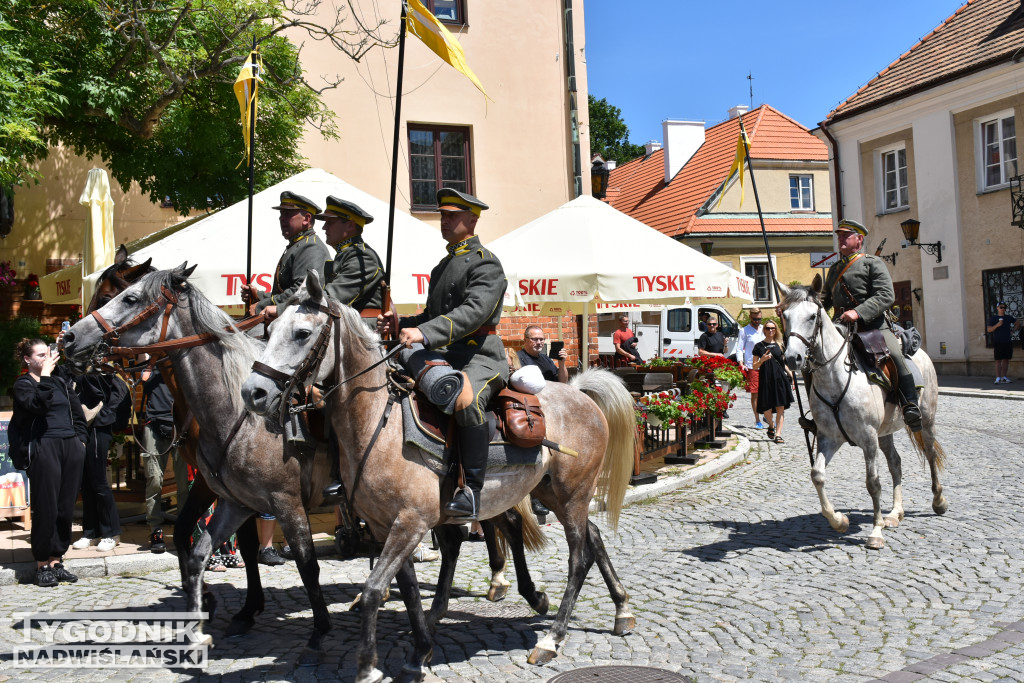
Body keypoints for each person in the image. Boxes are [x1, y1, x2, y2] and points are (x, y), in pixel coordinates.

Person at [379, 188, 508, 520]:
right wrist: (399, 324)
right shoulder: (443, 266)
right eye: (443, 215)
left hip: (480, 356)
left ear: (472, 219)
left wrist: (424, 334)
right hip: (445, 355)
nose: (445, 221)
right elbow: (430, 315)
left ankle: (471, 492)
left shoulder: (487, 264)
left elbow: (473, 313)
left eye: (452, 215)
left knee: (466, 400)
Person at [316, 196, 386, 503]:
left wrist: (283, 308)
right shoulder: (344, 256)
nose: (325, 227)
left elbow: (334, 298)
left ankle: (343, 470)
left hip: (361, 342)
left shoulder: (362, 258)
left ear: (349, 226)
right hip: (342, 340)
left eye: (330, 222)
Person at [822, 218, 921, 431]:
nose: (840, 238)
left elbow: (886, 296)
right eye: (838, 235)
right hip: (841, 327)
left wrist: (858, 312)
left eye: (845, 235)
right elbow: (825, 301)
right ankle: (820, 412)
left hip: (874, 326)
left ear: (859, 239)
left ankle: (910, 405)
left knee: (895, 356)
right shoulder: (834, 269)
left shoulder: (872, 263)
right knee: (817, 359)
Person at [12, 339, 87, 587]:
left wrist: (80, 441)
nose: (47, 359)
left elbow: (77, 413)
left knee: (66, 508)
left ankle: (57, 559)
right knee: (47, 507)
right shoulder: (24, 384)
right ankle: (41, 564)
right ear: (27, 359)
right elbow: (37, 406)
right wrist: (44, 377)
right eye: (41, 355)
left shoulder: (59, 382)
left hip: (70, 446)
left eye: (48, 354)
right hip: (44, 446)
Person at [241, 191, 331, 320]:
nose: (281, 218)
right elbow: (284, 291)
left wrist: (261, 305)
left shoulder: (311, 247)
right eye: (281, 214)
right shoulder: (297, 245)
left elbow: (301, 291)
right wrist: (258, 295)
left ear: (306, 219)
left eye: (288, 214)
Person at [69, 371, 130, 552]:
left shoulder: (100, 369)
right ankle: (90, 532)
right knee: (86, 483)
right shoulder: (73, 369)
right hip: (82, 426)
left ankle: (111, 532)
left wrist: (105, 416)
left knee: (98, 481)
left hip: (98, 426)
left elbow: (118, 395)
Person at [515, 324, 564, 516]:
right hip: (529, 411)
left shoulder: (545, 359)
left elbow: (562, 382)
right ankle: (534, 497)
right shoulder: (519, 358)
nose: (539, 343)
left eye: (542, 339)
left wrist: (561, 363)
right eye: (535, 339)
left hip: (548, 410)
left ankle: (548, 490)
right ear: (525, 340)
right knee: (534, 452)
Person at [140, 365, 189, 553]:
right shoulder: (149, 368)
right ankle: (155, 529)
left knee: (184, 483)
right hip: (154, 426)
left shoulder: (181, 367)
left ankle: (184, 528)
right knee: (154, 479)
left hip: (179, 428)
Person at [751, 321, 796, 443]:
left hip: (780, 379)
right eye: (768, 328)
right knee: (767, 409)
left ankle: (778, 434)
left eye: (773, 328)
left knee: (780, 407)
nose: (771, 330)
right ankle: (771, 425)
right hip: (766, 380)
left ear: (776, 330)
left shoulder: (780, 345)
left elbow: (783, 363)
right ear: (764, 330)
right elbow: (754, 366)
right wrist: (762, 360)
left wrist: (791, 375)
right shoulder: (758, 346)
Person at [737, 308, 766, 429]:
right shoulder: (744, 331)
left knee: (767, 392)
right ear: (750, 317)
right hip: (752, 366)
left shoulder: (765, 329)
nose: (757, 321)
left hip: (766, 364)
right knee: (755, 394)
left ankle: (767, 414)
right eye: (755, 319)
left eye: (759, 319)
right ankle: (757, 419)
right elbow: (739, 348)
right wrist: (741, 363)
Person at [987, 302, 1020, 383]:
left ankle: (1004, 377)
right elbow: (989, 329)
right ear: (997, 308)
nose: (1003, 309)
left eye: (1004, 307)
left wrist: (1013, 330)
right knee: (998, 360)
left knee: (1006, 360)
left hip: (1007, 341)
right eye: (1001, 307)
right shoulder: (994, 318)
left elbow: (1017, 323)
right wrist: (997, 325)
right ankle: (998, 378)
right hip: (998, 341)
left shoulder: (1008, 317)